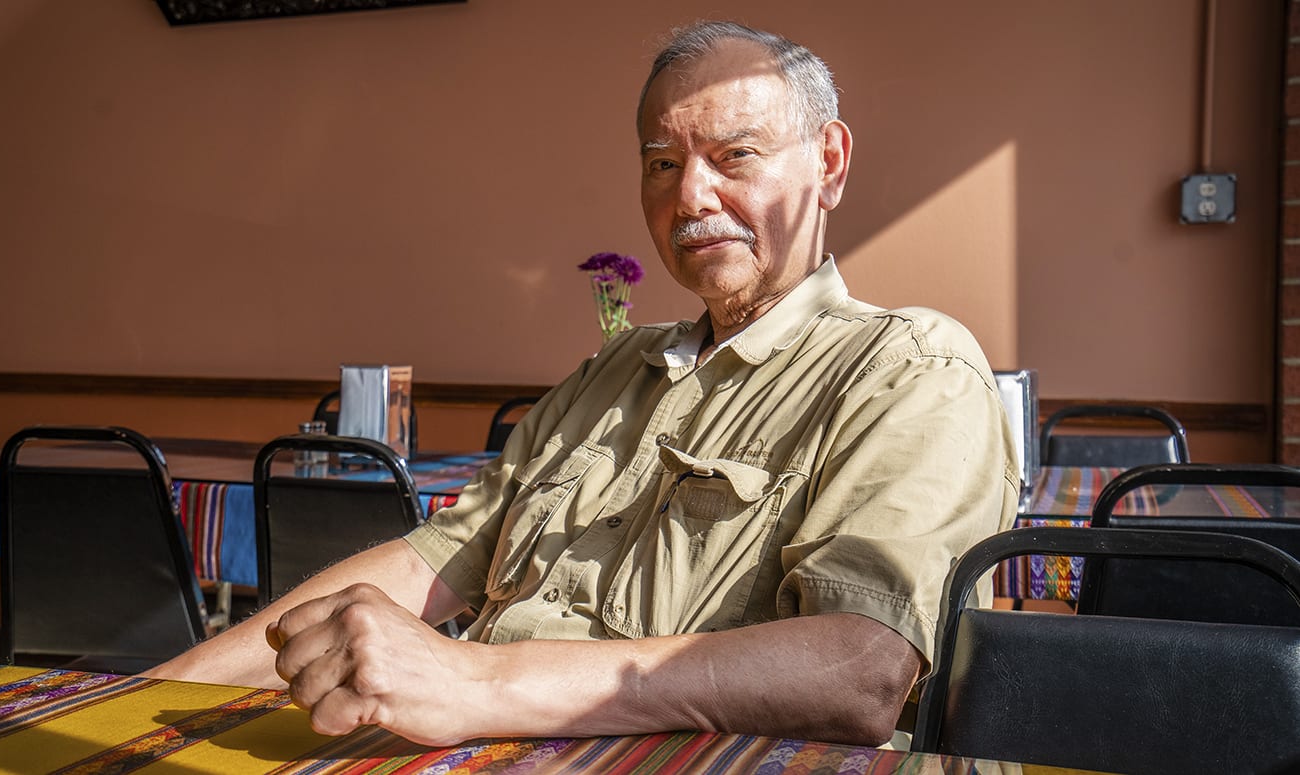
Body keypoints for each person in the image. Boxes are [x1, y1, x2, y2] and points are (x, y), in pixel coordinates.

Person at [146, 20, 1017, 749]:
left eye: (734, 155)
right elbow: (437, 561)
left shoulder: (911, 369)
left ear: (828, 162)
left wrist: (474, 678)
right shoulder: (613, 367)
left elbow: (861, 669)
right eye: (662, 163)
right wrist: (152, 697)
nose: (692, 196)